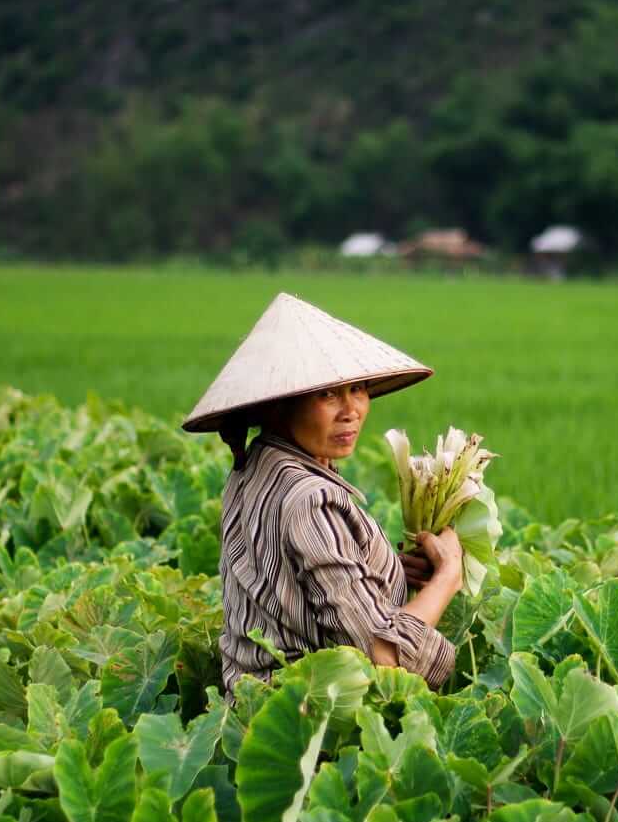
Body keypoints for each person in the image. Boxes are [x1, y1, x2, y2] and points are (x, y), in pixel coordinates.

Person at [181, 292, 462, 700]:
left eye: (360, 388)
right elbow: (383, 658)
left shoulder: (254, 467)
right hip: (312, 719)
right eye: (327, 394)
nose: (351, 410)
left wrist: (382, 573)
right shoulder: (311, 498)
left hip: (254, 706)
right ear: (279, 406)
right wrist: (448, 576)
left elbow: (291, 587)